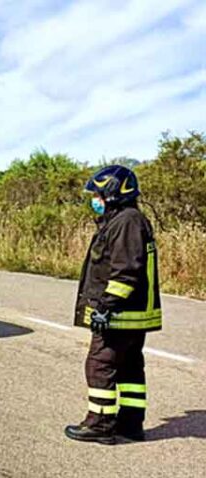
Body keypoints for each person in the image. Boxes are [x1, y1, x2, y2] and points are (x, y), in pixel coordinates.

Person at [65, 165, 161, 445]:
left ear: (111, 192)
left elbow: (125, 271)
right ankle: (130, 423)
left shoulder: (126, 222)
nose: (94, 199)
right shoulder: (127, 220)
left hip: (119, 314)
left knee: (100, 364)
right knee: (130, 367)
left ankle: (100, 423)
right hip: (132, 314)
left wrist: (105, 307)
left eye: (97, 193)